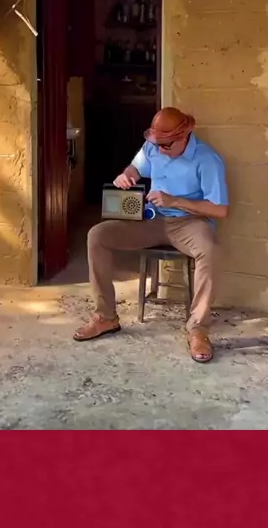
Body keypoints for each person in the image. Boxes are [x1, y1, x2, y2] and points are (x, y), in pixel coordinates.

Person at [73, 107, 229, 363]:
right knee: (97, 235)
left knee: (210, 250)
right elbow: (136, 168)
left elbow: (220, 210)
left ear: (184, 136)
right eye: (157, 144)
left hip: (189, 222)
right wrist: (126, 176)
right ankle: (106, 317)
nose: (160, 150)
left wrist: (174, 201)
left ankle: (198, 329)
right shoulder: (153, 147)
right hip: (152, 219)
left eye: (166, 145)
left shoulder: (207, 159)